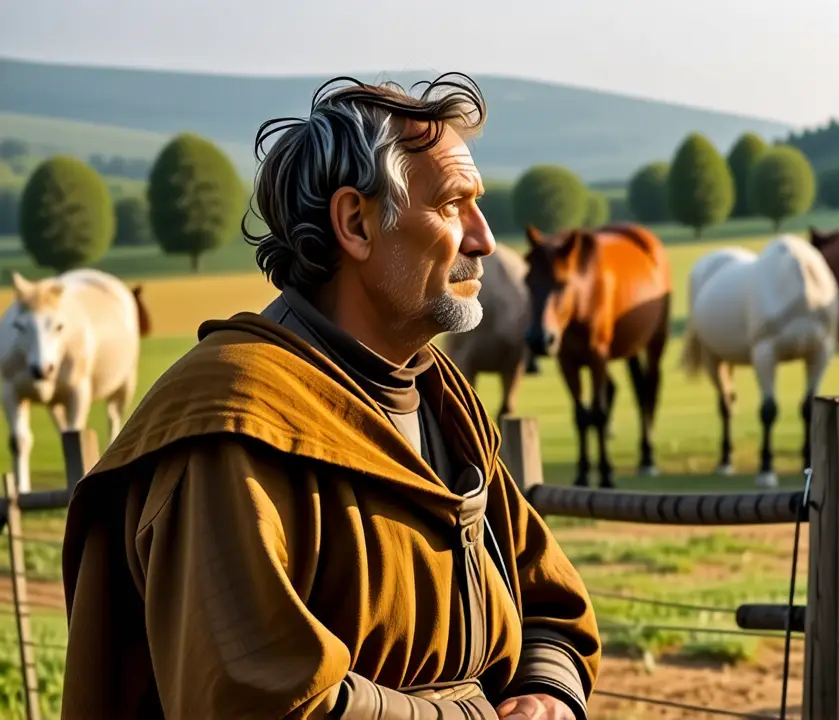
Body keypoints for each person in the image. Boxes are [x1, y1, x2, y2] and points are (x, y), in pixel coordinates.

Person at [60, 74, 600, 720]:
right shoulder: (232, 430)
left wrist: (547, 697)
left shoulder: (443, 399)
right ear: (355, 223)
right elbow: (266, 700)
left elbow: (550, 603)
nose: (483, 239)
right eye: (454, 205)